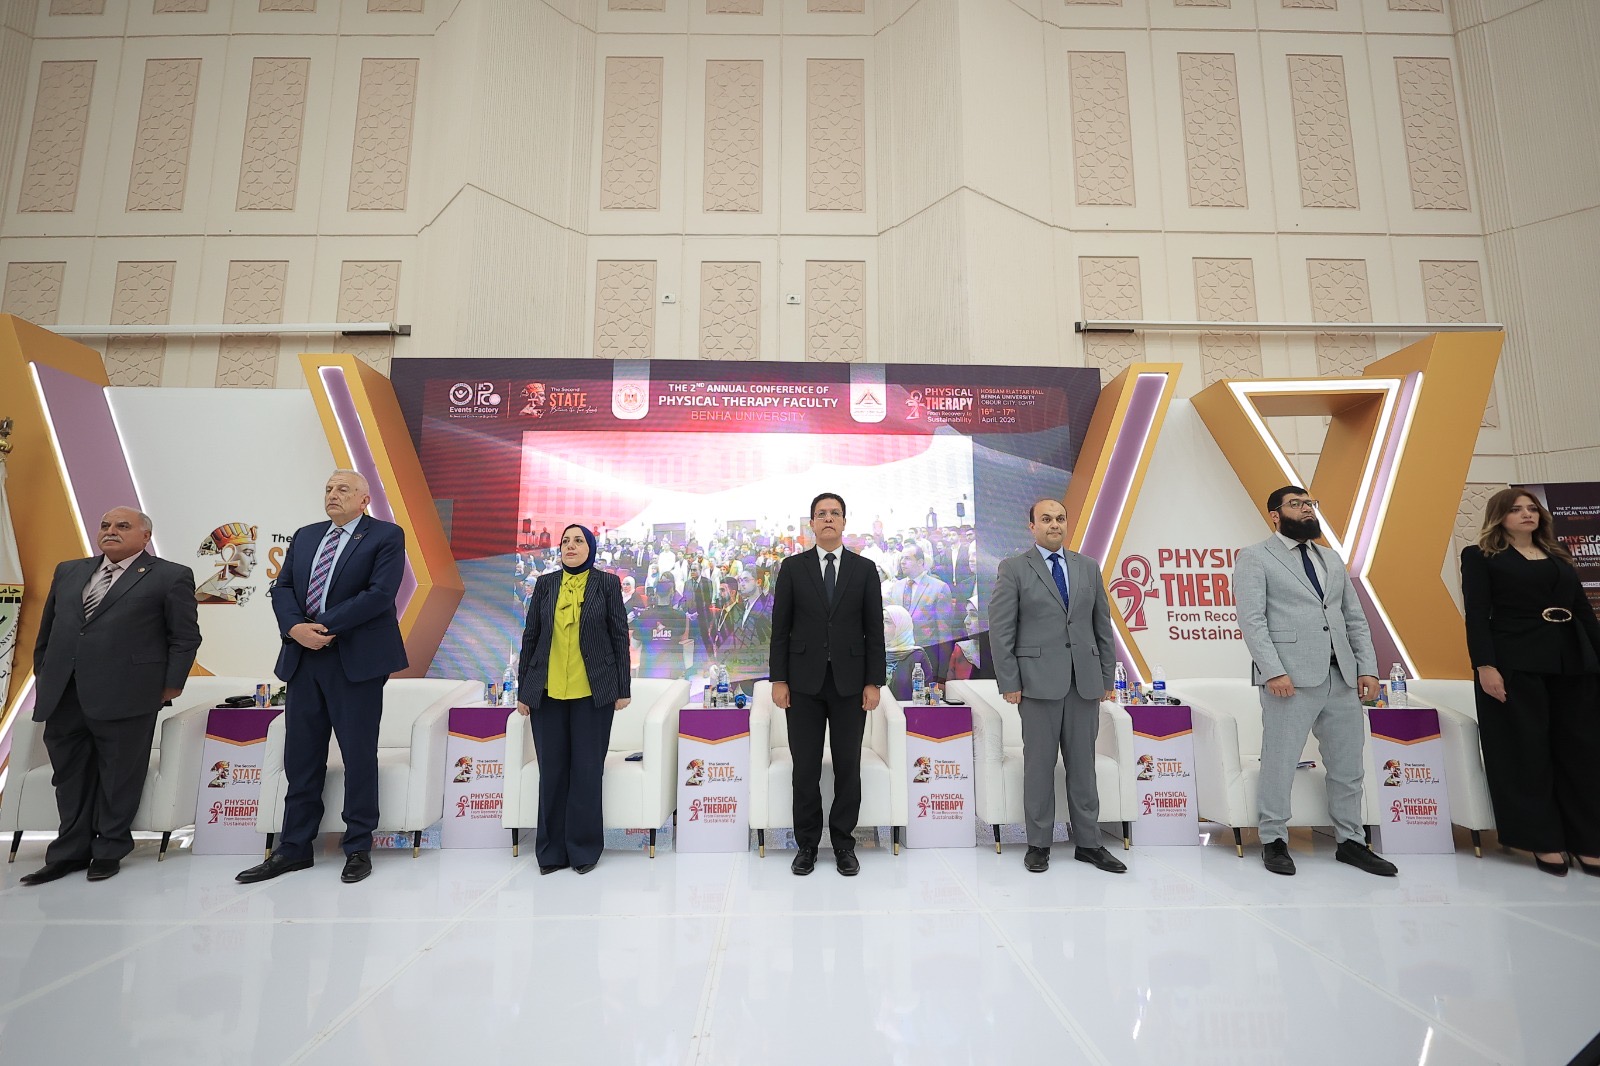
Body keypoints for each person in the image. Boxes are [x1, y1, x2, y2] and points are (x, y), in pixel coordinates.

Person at [237, 470, 407, 886]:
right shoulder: (307, 535)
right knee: (301, 757)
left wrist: (322, 626)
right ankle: (294, 847)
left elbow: (380, 594)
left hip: (355, 660)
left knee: (358, 756)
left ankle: (358, 846)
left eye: (343, 489)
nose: (332, 494)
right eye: (329, 488)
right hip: (303, 657)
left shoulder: (385, 535)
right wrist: (296, 628)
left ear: (364, 499)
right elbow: (283, 588)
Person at [21, 507, 201, 885]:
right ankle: (69, 853)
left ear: (145, 536)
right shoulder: (69, 570)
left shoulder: (170, 576)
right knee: (69, 777)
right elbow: (49, 631)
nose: (111, 531)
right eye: (105, 525)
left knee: (120, 777)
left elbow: (184, 637)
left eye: (123, 526)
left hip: (129, 694)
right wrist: (45, 675)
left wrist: (170, 686)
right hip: (65, 694)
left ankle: (109, 850)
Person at [1234, 485, 1396, 877]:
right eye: (1296, 504)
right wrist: (1273, 670)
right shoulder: (1255, 557)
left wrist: (1368, 668)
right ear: (1275, 515)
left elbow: (1353, 617)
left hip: (1342, 677)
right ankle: (1274, 839)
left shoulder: (1331, 558)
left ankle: (1351, 841)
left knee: (1347, 765)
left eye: (1309, 503)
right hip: (1288, 678)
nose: (1306, 509)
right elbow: (1252, 620)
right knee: (1280, 761)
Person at [1460, 489, 1600, 877]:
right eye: (1516, 509)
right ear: (1499, 516)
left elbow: (1584, 612)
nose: (1527, 514)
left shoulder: (1558, 554)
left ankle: (1587, 840)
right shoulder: (1480, 556)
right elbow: (1477, 615)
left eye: (1532, 508)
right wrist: (1485, 665)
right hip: (1514, 662)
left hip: (1571, 660)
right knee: (1526, 751)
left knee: (1582, 751)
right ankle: (1543, 839)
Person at [990, 498, 1125, 875]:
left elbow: (1102, 626)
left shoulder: (1088, 566)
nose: (1054, 525)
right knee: (1039, 767)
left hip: (1084, 683)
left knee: (1084, 767)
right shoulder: (1014, 568)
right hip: (1036, 684)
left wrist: (1106, 677)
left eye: (1060, 519)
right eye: (1046, 519)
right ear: (1031, 526)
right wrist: (1010, 681)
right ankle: (1038, 844)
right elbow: (1001, 630)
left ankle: (1089, 844)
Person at [770, 492, 886, 877]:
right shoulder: (792, 568)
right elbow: (780, 629)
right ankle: (806, 845)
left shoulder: (864, 569)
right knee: (804, 768)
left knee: (847, 766)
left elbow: (874, 630)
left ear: (844, 522)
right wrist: (779, 679)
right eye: (821, 514)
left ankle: (843, 844)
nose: (828, 519)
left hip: (850, 685)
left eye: (835, 513)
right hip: (802, 684)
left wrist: (874, 682)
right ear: (812, 523)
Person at [514, 524, 631, 875]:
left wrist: (622, 688)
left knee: (586, 771)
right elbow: (531, 636)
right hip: (547, 692)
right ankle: (551, 852)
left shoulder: (606, 584)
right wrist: (524, 690)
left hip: (593, 693)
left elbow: (619, 635)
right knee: (552, 772)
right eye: (565, 541)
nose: (570, 546)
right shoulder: (546, 584)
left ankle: (583, 850)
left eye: (578, 541)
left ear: (590, 548)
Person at [891, 544, 957, 688]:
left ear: (920, 562)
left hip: (927, 658)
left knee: (928, 700)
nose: (902, 562)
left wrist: (942, 673)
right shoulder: (896, 587)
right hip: (898, 658)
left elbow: (944, 633)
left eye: (907, 558)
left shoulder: (939, 588)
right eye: (901, 558)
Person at [883, 605, 935, 703]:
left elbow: (928, 696)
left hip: (906, 710)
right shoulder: (874, 654)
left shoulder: (917, 656)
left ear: (901, 626)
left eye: (887, 622)